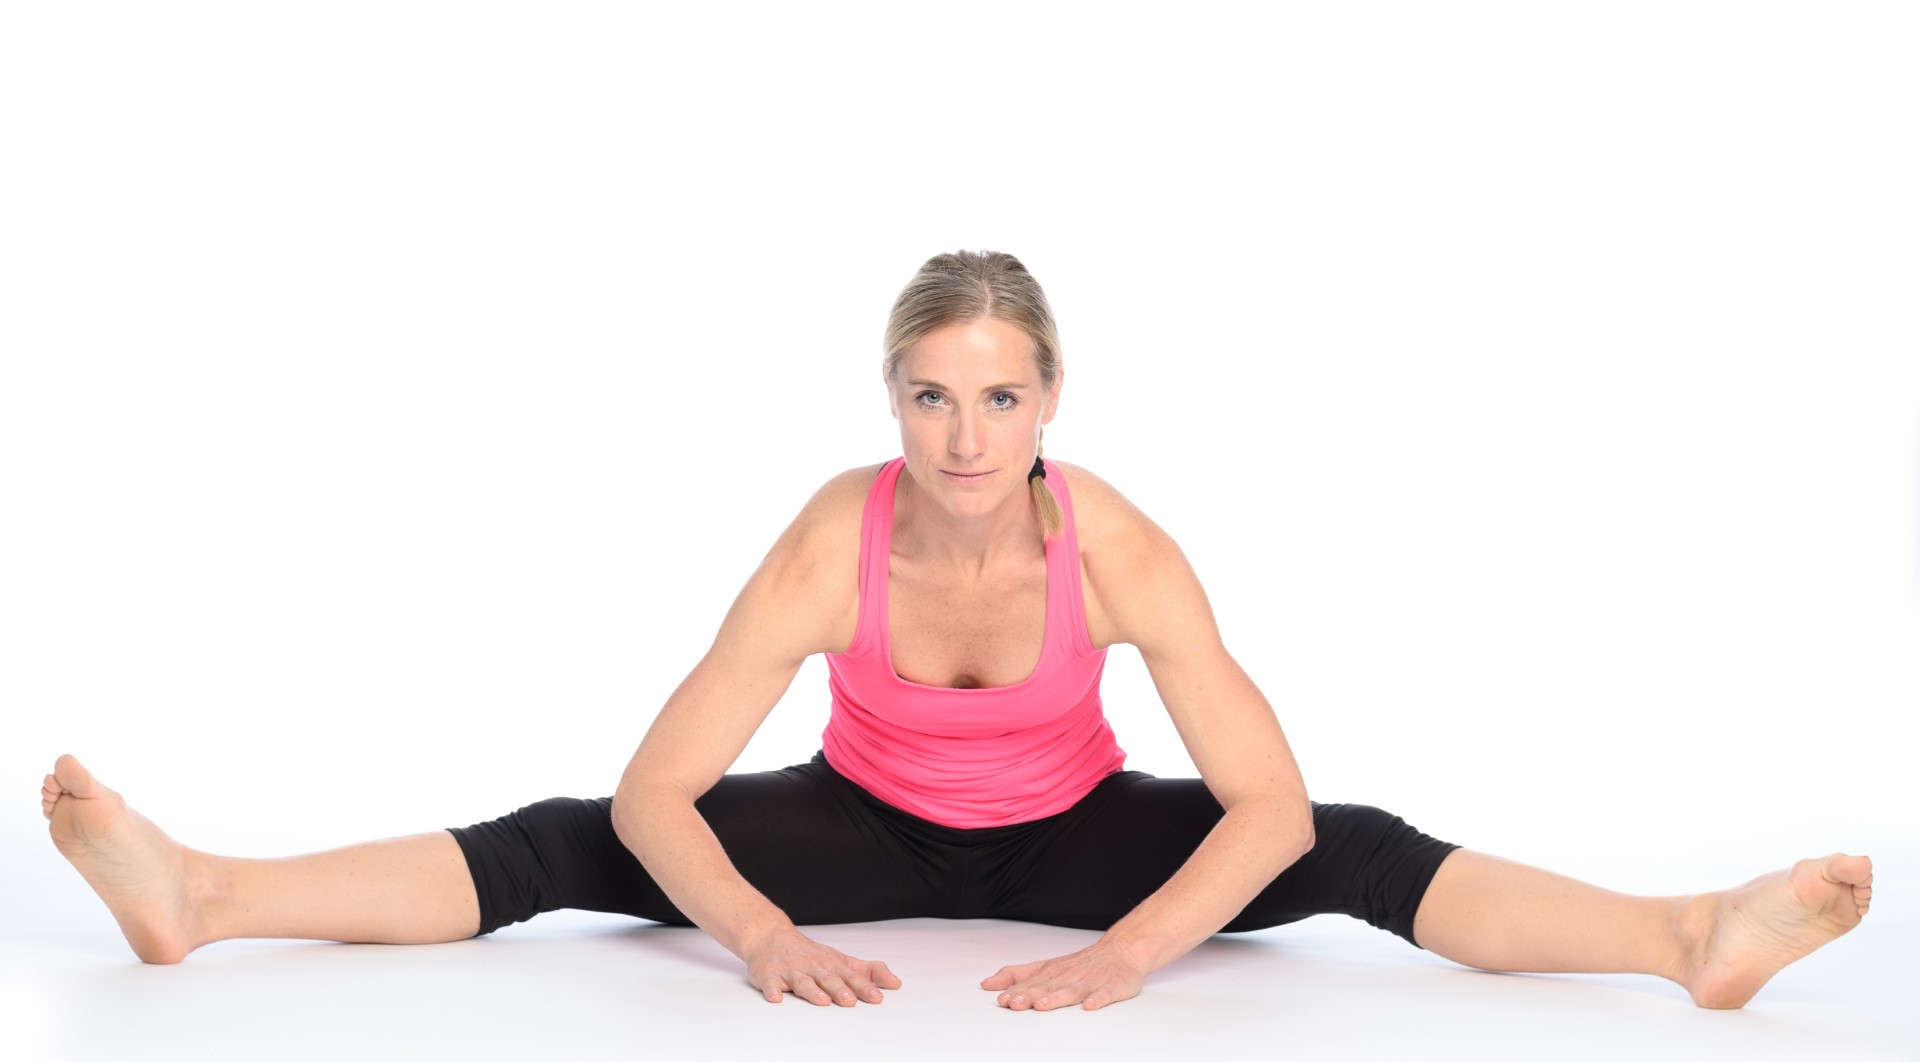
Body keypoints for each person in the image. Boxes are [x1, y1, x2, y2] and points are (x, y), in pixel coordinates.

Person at [42, 250, 1872, 1013]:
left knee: (1366, 851)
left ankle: (1688, 934)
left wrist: (1132, 954)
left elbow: (1276, 812)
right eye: (932, 396)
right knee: (564, 843)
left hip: (1078, 832)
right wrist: (755, 929)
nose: (965, 437)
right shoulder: (826, 541)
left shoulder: (1123, 543)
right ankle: (203, 892)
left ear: (1052, 395)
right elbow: (657, 789)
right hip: (859, 821)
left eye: (1000, 398)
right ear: (893, 400)